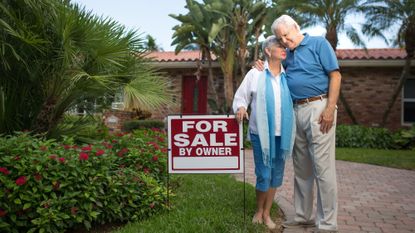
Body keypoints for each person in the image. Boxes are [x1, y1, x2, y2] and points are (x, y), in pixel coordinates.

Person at [255, 15, 341, 233]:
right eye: (280, 37)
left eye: (286, 34)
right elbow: (271, 66)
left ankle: (328, 223)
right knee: (302, 169)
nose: (284, 40)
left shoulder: (318, 43)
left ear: (296, 27)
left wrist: (330, 108)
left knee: (323, 168)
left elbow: (336, 75)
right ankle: (303, 216)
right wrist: (258, 64)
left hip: (319, 108)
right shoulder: (287, 54)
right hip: (294, 112)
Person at [233, 35, 295, 230]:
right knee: (264, 174)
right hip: (261, 134)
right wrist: (241, 108)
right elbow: (241, 97)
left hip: (281, 134)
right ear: (268, 51)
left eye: (285, 46)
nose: (284, 48)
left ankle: (267, 213)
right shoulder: (256, 73)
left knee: (276, 175)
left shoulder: (288, 75)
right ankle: (258, 210)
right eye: (279, 45)